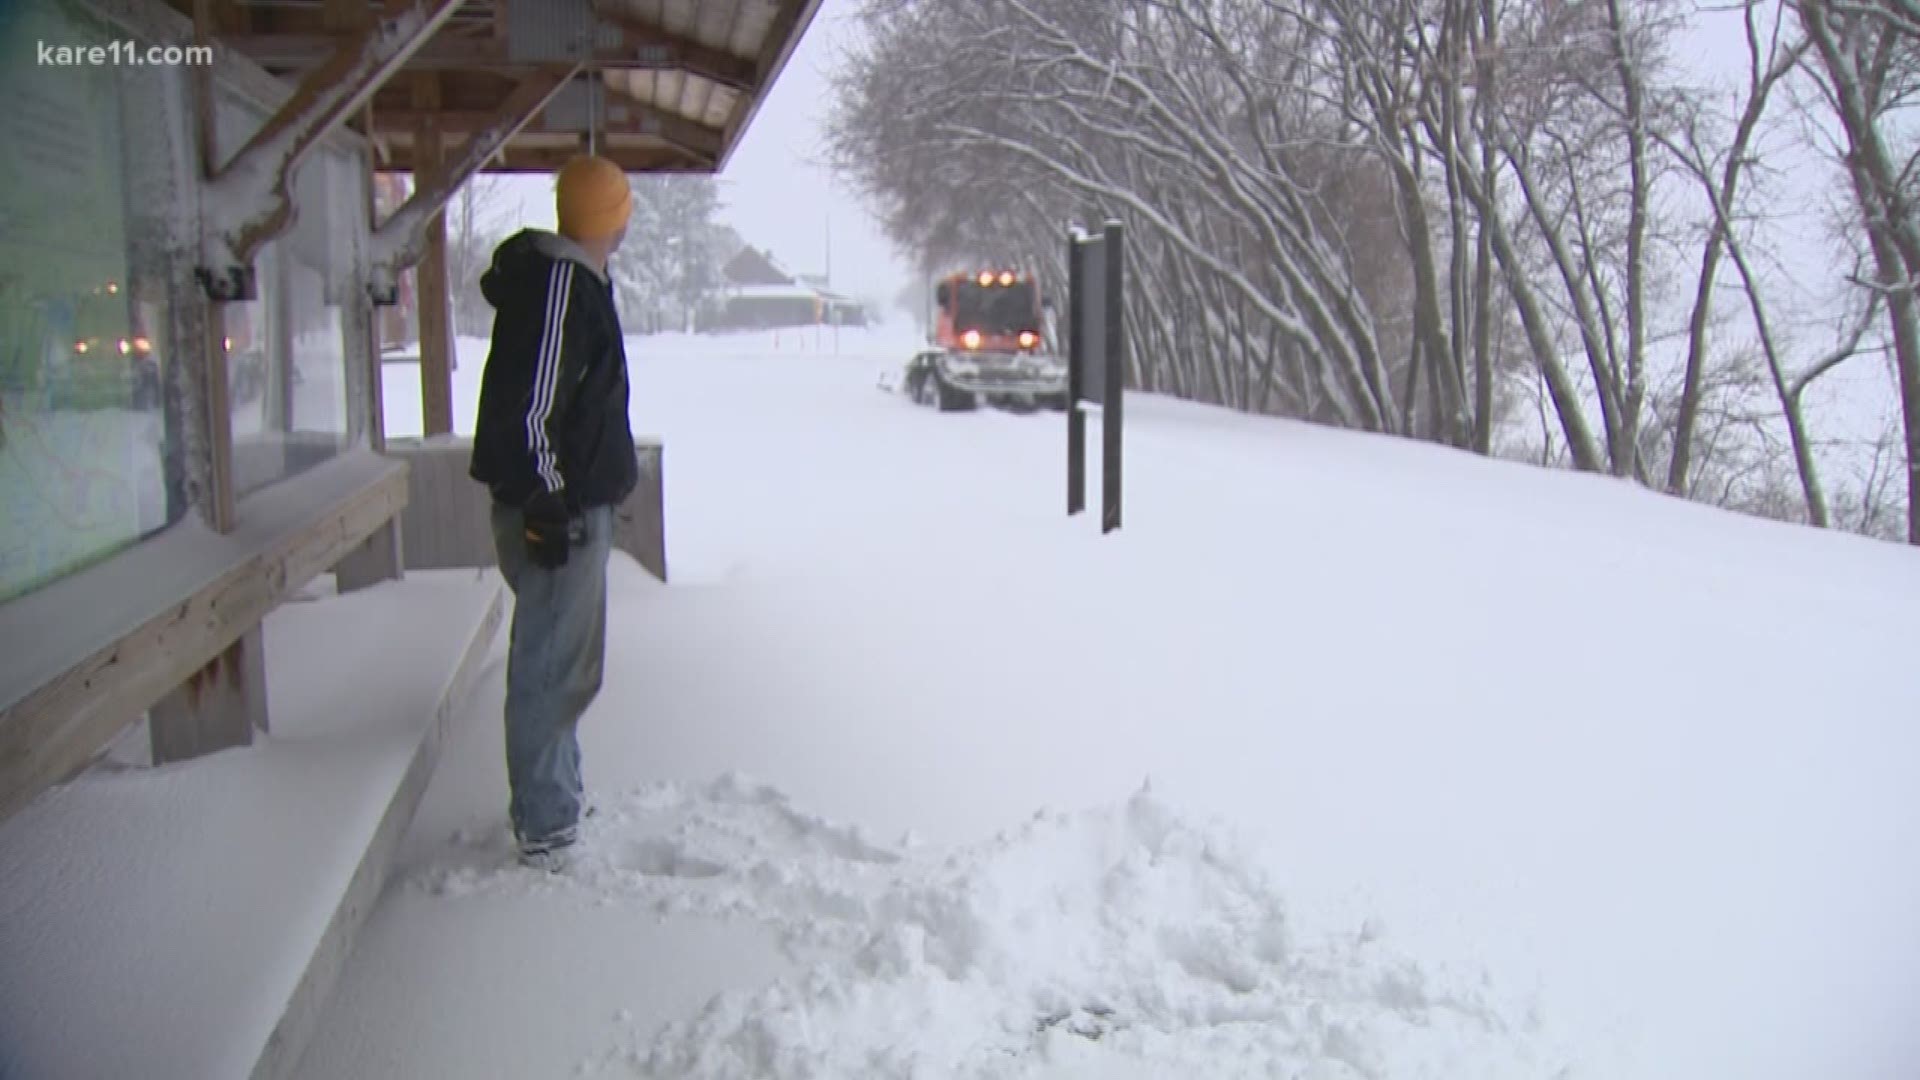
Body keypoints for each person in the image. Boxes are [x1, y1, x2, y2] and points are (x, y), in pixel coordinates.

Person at [469, 155, 638, 872]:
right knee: (548, 667)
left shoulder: (576, 282)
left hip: (571, 506)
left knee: (568, 666)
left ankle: (557, 796)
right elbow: (532, 403)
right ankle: (545, 823)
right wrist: (545, 498)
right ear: (613, 217)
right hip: (556, 514)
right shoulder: (562, 285)